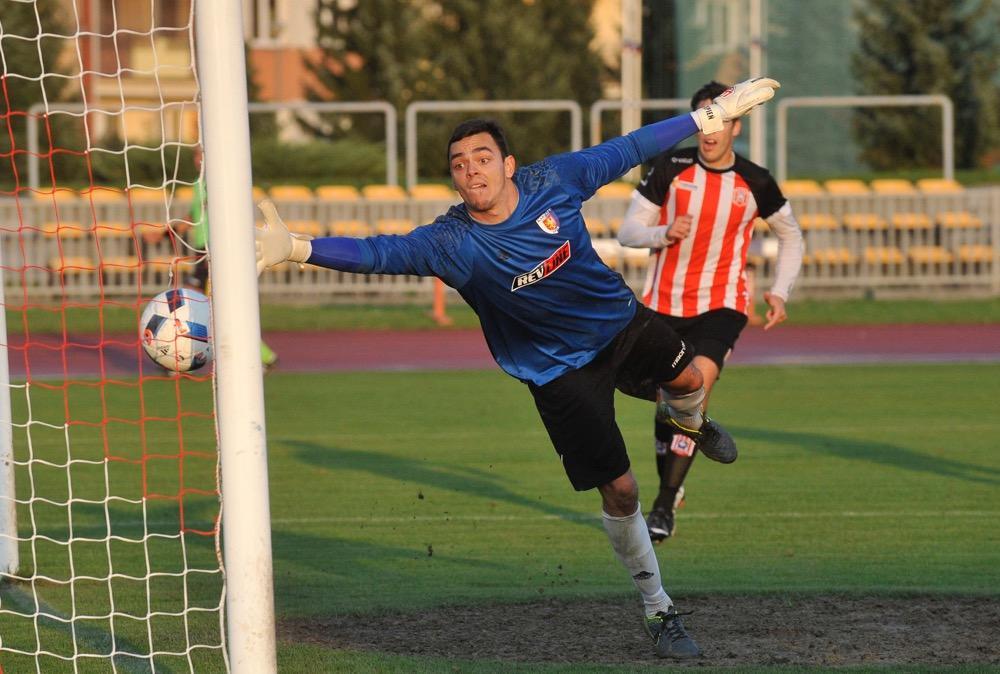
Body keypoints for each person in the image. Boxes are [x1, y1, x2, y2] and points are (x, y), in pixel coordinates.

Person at [256, 77, 780, 659]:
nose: (471, 170)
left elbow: (629, 146)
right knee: (622, 490)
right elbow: (380, 252)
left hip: (620, 326)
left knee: (691, 383)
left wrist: (708, 115)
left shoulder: (553, 181)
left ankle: (691, 423)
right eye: (459, 164)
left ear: (509, 164)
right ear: (454, 178)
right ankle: (660, 610)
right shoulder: (450, 242)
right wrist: (299, 247)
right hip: (558, 374)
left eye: (483, 158)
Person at [616, 81, 804, 543]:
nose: (711, 129)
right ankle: (675, 477)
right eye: (705, 117)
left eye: (721, 118)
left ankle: (663, 506)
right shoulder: (670, 166)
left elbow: (791, 235)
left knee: (695, 385)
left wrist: (780, 291)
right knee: (669, 405)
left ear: (736, 125)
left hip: (722, 305)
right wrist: (661, 233)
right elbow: (627, 231)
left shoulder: (756, 181)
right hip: (662, 305)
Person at [180, 147, 279, 369]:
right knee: (203, 305)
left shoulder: (216, 183)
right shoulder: (199, 183)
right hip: (201, 250)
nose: (198, 161)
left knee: (208, 306)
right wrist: (170, 229)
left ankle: (257, 356)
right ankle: (262, 355)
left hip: (215, 250)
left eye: (202, 156)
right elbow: (195, 213)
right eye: (196, 157)